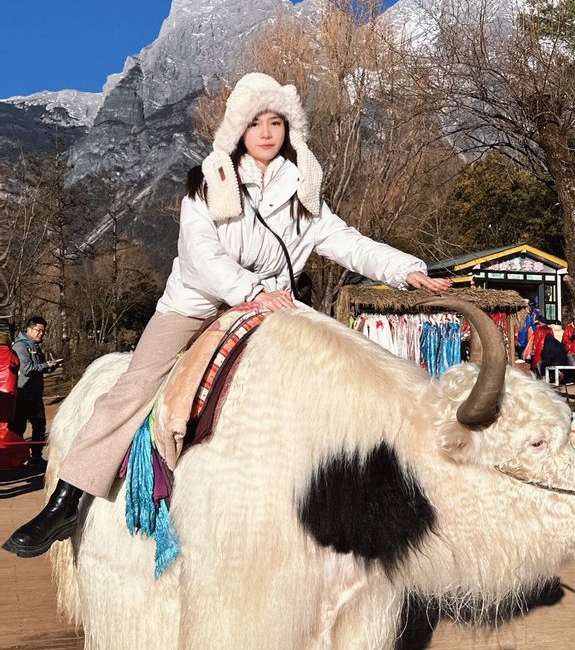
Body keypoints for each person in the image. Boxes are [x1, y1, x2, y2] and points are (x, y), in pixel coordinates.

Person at [3, 72, 451, 558]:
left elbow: (347, 242)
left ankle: (341, 496)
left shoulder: (304, 191)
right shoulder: (206, 184)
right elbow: (200, 254)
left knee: (332, 369)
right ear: (237, 130)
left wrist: (407, 270)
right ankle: (68, 499)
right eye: (255, 122)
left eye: (276, 121)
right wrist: (253, 290)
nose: (265, 132)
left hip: (271, 308)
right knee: (134, 387)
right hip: (196, 306)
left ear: (289, 129)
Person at [9, 317, 62, 467]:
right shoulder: (21, 347)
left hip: (35, 395)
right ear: (29, 329)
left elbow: (39, 367)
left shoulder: (35, 346)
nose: (41, 334)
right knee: (18, 428)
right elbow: (26, 369)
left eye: (43, 331)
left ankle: (36, 457)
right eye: (39, 330)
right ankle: (16, 458)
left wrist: (52, 366)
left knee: (40, 426)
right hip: (23, 395)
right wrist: (46, 365)